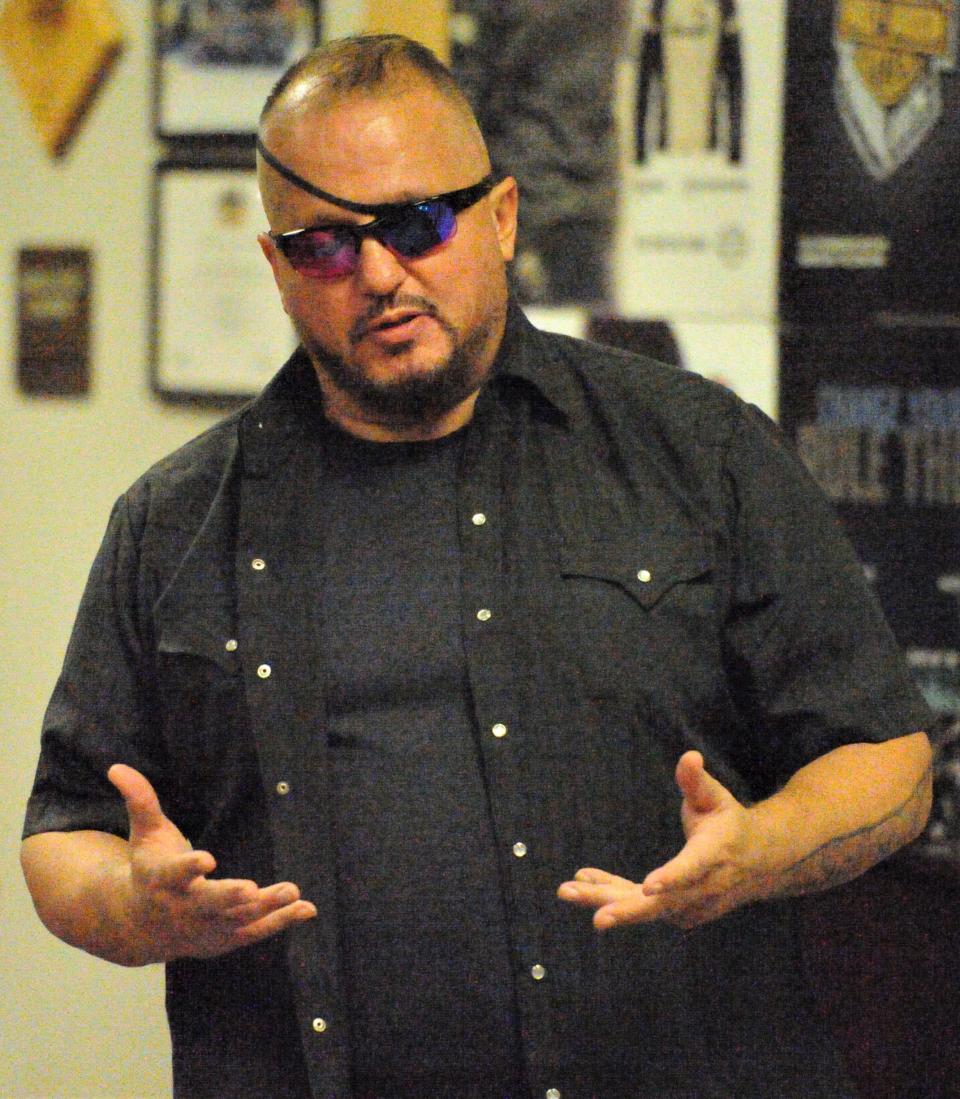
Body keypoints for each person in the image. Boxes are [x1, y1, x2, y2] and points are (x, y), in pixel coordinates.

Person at [21, 33, 933, 1099]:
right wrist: (135, 904)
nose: (378, 274)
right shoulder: (173, 523)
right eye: (323, 245)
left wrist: (758, 851)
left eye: (417, 224)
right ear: (274, 268)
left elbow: (893, 763)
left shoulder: (701, 452)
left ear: (501, 217)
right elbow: (64, 835)